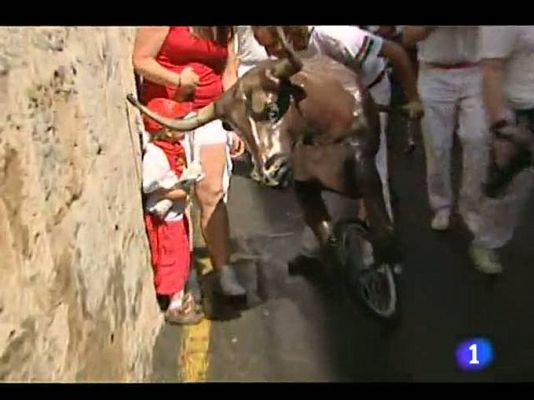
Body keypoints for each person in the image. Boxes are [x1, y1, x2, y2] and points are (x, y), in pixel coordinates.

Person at [250, 26, 423, 264]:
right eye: (264, 47)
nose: (269, 52)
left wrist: (413, 98)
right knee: (318, 167)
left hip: (369, 91)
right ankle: (317, 243)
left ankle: (377, 249)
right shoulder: (285, 55)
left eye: (272, 45)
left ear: (287, 33)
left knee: (371, 169)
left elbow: (395, 52)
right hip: (331, 96)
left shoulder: (335, 35)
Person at [133, 27, 247, 297]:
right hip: (170, 115)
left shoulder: (224, 29)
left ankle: (224, 270)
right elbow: (141, 59)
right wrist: (177, 78)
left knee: (212, 191)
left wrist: (236, 124)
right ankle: (177, 281)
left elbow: (228, 75)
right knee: (175, 197)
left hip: (210, 114)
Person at [403, 26, 488, 233]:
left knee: (477, 139)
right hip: (434, 72)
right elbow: (407, 37)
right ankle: (441, 206)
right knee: (437, 145)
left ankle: (471, 208)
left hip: (475, 70)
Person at [468, 26, 534, 274]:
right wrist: (501, 128)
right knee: (512, 190)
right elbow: (491, 69)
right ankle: (486, 242)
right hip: (520, 111)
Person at [142, 98, 204, 324]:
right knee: (170, 257)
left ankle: (179, 294)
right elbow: (149, 185)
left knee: (180, 256)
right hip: (166, 219)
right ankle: (173, 304)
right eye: (178, 121)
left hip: (177, 216)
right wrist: (173, 191)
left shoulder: (175, 148)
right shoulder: (156, 155)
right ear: (166, 130)